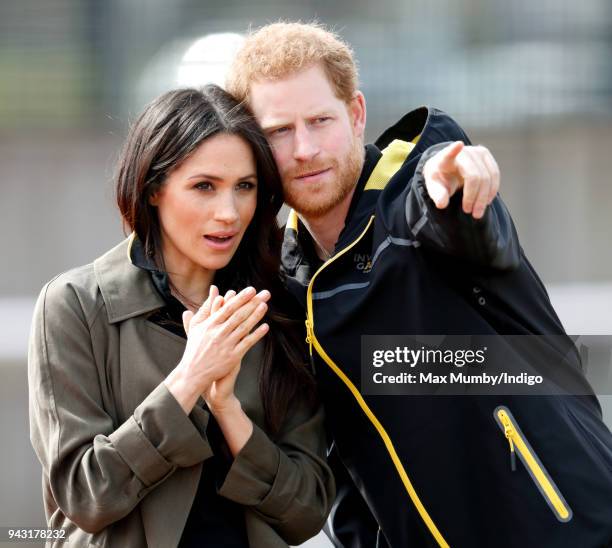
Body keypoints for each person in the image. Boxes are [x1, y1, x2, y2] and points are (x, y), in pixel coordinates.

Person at [226, 22, 612, 548]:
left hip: (569, 528)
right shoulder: (284, 284)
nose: (305, 149)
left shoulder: (414, 201)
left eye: (320, 120)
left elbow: (459, 216)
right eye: (279, 132)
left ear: (356, 114)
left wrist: (453, 181)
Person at [28, 85, 335, 548]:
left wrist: (228, 411)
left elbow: (305, 513)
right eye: (204, 187)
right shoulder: (74, 305)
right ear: (153, 189)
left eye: (244, 187)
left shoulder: (279, 312)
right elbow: (86, 496)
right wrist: (189, 380)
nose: (229, 213)